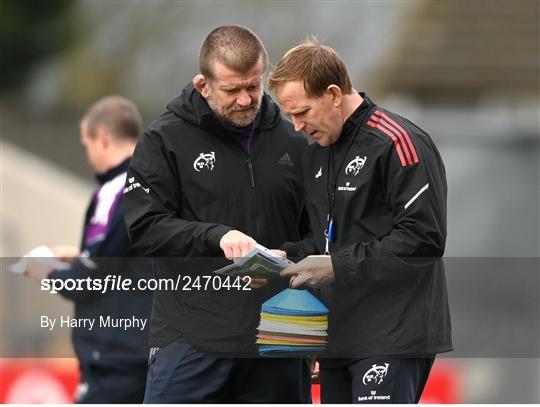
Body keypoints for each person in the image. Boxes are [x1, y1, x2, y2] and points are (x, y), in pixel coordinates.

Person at [122, 25, 311, 403]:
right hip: (192, 339)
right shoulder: (164, 140)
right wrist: (217, 236)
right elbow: (144, 228)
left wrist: (289, 256)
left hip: (281, 335)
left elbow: (322, 234)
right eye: (231, 90)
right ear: (203, 84)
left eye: (253, 87)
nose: (245, 100)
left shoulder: (296, 139)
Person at [268, 39, 453, 403]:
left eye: (302, 112)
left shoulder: (399, 141)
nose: (296, 126)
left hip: (392, 333)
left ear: (334, 93)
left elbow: (425, 238)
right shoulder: (316, 154)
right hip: (339, 338)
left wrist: (338, 266)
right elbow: (326, 242)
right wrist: (281, 257)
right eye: (289, 115)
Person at [25, 96, 153, 403]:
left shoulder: (117, 190)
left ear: (103, 138)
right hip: (151, 354)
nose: (89, 155)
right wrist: (79, 253)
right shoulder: (159, 181)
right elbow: (129, 257)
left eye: (87, 145)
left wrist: (41, 268)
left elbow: (89, 278)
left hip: (114, 359)